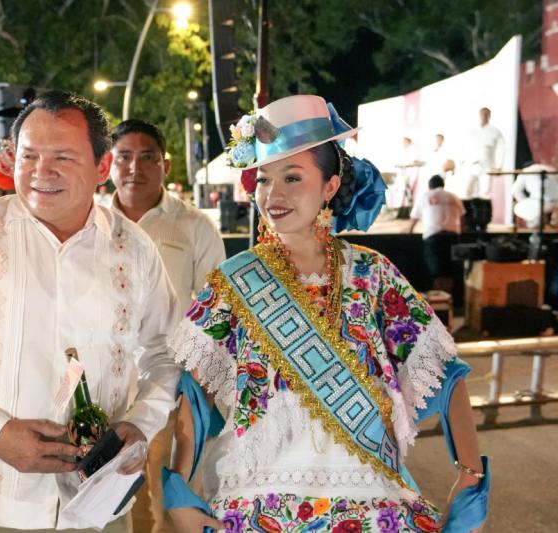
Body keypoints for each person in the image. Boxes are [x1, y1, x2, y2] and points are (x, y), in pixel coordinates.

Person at [163, 95, 490, 532]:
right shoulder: (233, 281)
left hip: (370, 500)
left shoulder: (373, 274)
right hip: (261, 502)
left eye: (292, 177)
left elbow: (446, 373)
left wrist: (470, 475)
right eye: (263, 179)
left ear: (330, 186)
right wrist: (179, 488)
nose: (273, 194)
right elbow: (195, 391)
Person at [0, 91, 181, 532]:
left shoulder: (133, 248)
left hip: (97, 503)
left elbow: (165, 351)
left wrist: (141, 423)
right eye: (29, 156)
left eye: (63, 156)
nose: (43, 172)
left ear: (102, 167)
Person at [108, 119, 226, 533]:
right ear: (109, 163)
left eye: (147, 157)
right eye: (123, 157)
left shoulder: (194, 227)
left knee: (159, 493)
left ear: (166, 166)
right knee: (110, 500)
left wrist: (205, 384)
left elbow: (218, 311)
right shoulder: (92, 223)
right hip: (102, 385)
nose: (133, 168)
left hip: (165, 382)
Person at [409, 175, 466, 291]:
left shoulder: (425, 196)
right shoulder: (453, 197)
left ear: (429, 186)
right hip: (453, 237)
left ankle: (439, 302)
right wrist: (462, 231)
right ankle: (450, 301)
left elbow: (414, 217)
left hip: (433, 237)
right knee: (450, 271)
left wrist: (409, 230)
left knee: (436, 272)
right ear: (443, 185)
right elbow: (462, 216)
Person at [455, 107, 504, 200]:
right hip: (471, 164)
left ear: (489, 116)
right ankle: (468, 214)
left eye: (486, 114)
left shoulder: (495, 132)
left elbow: (502, 149)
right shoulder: (471, 131)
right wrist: (461, 161)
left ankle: (483, 214)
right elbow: (463, 147)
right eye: (482, 114)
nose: (483, 116)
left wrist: (499, 166)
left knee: (484, 193)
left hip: (487, 165)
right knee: (467, 190)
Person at [511, 163, 558, 228]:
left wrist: (524, 201)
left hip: (539, 203)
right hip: (555, 202)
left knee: (517, 208)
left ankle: (538, 226)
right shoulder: (549, 168)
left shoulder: (526, 171)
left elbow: (515, 190)